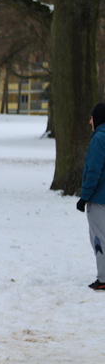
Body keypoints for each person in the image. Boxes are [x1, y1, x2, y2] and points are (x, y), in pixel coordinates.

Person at [77, 102, 105, 291]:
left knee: (99, 238)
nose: (89, 121)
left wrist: (84, 197)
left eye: (92, 117)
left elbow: (93, 171)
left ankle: (103, 278)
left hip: (99, 199)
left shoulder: (99, 139)